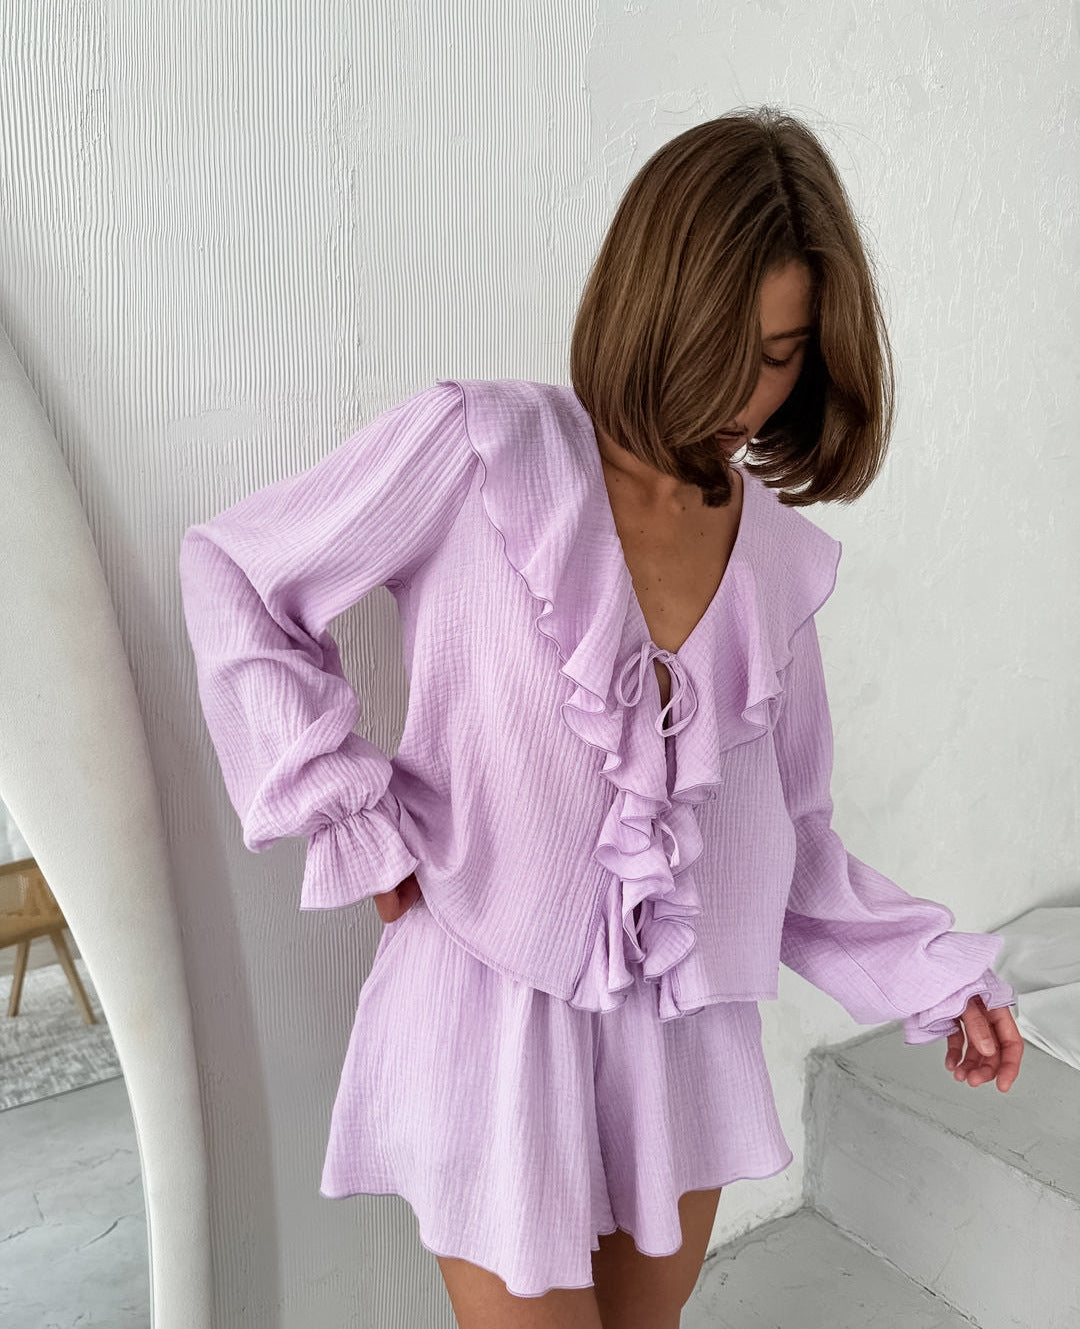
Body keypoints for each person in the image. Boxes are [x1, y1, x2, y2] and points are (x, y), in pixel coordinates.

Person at [178, 106, 1024, 1329]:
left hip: (680, 1041)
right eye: (723, 346)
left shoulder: (777, 563)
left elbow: (787, 843)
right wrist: (350, 818)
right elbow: (237, 576)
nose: (747, 394)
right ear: (650, 303)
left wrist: (935, 978)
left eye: (782, 354)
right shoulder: (481, 448)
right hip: (492, 1013)